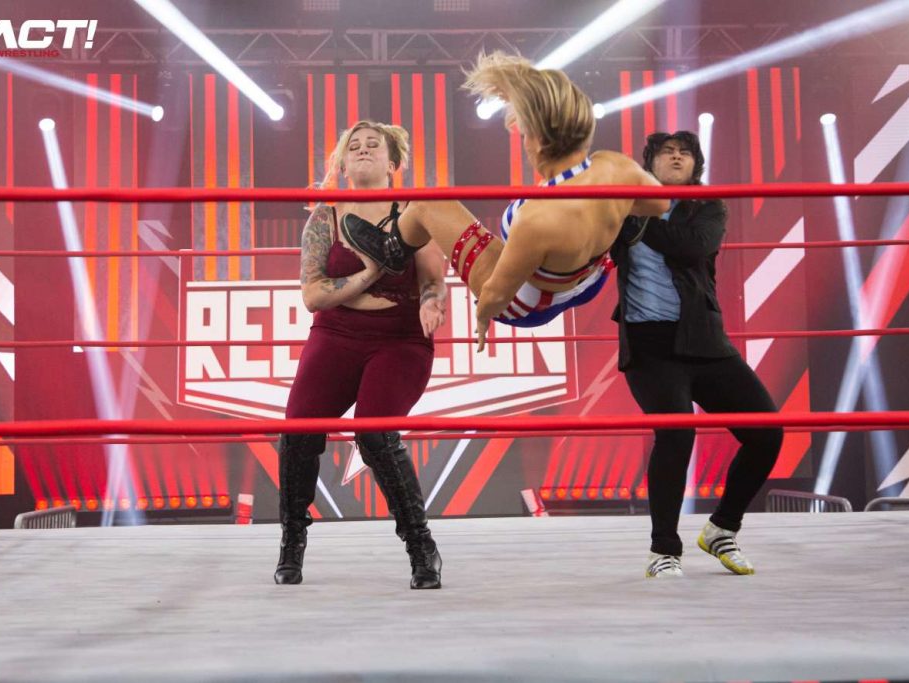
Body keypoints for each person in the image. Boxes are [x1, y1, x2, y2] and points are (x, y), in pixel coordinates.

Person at [338, 51, 670, 350]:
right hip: (591, 282)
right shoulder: (615, 167)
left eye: (522, 133)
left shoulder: (538, 217)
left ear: (535, 139)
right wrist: (609, 214)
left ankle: (391, 250)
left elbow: (496, 293)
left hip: (527, 305)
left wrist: (482, 319)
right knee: (531, 255)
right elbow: (660, 204)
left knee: (429, 203)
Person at [276, 120, 449, 589]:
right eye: (354, 146)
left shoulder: (412, 213)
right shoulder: (325, 217)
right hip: (335, 334)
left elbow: (434, 280)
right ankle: (292, 542)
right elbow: (313, 295)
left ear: (393, 162)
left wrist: (432, 301)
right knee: (298, 429)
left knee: (374, 433)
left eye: (374, 145)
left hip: (400, 338)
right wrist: (372, 271)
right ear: (343, 162)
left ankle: (421, 548)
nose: (364, 149)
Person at [610, 131, 783, 578]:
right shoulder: (619, 205)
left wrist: (638, 214)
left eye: (684, 153)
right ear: (649, 163)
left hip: (703, 339)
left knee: (767, 432)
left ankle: (722, 528)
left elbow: (690, 247)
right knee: (676, 433)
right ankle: (664, 550)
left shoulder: (707, 205)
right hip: (649, 345)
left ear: (695, 166)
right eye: (666, 152)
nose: (675, 157)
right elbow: (584, 248)